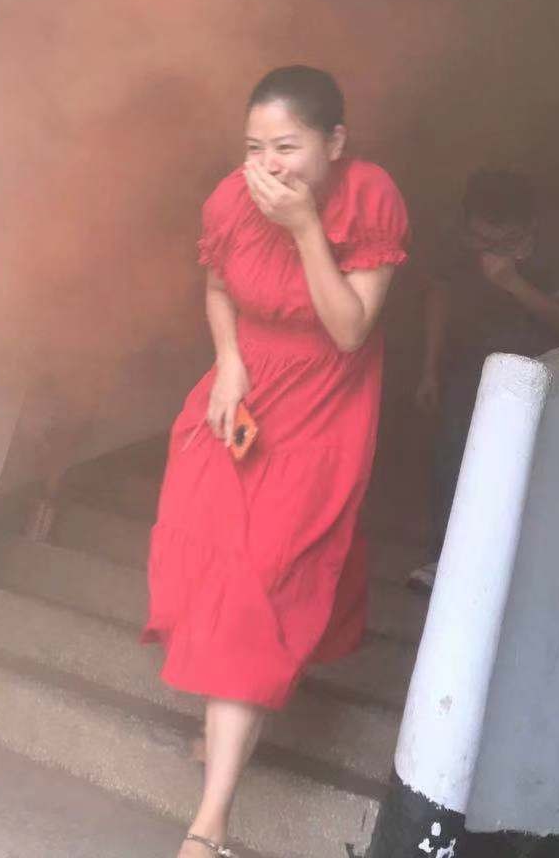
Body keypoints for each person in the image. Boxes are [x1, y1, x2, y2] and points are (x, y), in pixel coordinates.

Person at [142, 65, 409, 858]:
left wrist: (303, 228)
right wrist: (228, 363)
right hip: (239, 398)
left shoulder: (370, 198)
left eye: (287, 147)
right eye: (254, 146)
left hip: (321, 413)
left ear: (335, 142)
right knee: (213, 574)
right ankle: (227, 726)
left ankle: (208, 827)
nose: (267, 165)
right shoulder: (231, 198)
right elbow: (218, 286)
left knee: (260, 584)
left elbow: (350, 329)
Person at [408, 169, 559, 591]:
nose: (484, 249)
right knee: (452, 460)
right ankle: (445, 562)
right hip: (469, 363)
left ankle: (518, 571)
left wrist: (511, 282)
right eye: (479, 238)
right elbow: (439, 297)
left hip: (538, 372)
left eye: (499, 241)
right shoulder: (458, 238)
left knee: (523, 471)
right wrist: (429, 369)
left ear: (528, 227)